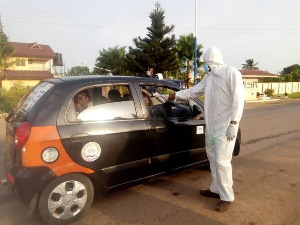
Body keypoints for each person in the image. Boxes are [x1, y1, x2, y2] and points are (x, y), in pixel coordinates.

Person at [174, 47, 244, 212]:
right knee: (213, 160)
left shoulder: (230, 73)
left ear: (213, 61)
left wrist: (234, 123)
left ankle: (227, 197)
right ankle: (215, 189)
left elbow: (238, 99)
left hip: (226, 127)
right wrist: (172, 96)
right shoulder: (209, 78)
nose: (205, 66)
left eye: (206, 63)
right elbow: (192, 92)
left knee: (222, 162)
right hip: (211, 127)